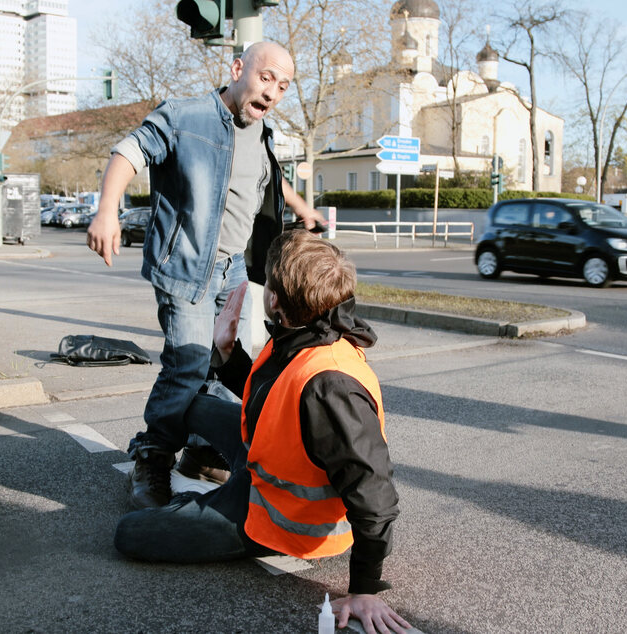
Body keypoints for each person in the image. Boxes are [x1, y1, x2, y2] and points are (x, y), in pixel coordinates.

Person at [114, 230, 410, 634]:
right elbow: (272, 402)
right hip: (263, 467)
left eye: (266, 279)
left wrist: (364, 589)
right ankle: (202, 472)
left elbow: (376, 496)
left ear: (274, 300)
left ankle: (210, 503)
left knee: (130, 533)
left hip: (278, 519)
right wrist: (227, 351)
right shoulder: (306, 333)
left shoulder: (331, 386)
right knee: (190, 405)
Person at [86, 41, 324, 509]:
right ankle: (152, 455)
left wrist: (301, 209)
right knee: (188, 364)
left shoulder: (262, 132)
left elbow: (270, 178)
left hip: (233, 268)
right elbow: (129, 152)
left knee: (227, 363)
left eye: (283, 85)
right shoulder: (185, 115)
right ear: (238, 69)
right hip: (186, 268)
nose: (272, 91)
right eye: (265, 77)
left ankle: (198, 451)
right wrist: (107, 212)